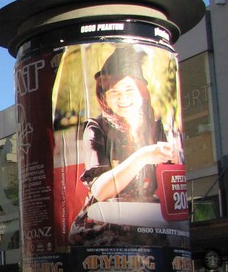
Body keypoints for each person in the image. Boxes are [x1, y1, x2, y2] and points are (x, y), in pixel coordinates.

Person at [69, 46, 179, 246]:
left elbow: (172, 179)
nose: (123, 98)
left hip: (148, 222)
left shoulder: (156, 125)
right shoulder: (95, 128)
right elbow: (100, 190)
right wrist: (143, 156)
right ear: (105, 97)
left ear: (142, 91)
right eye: (114, 92)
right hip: (103, 226)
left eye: (129, 89)